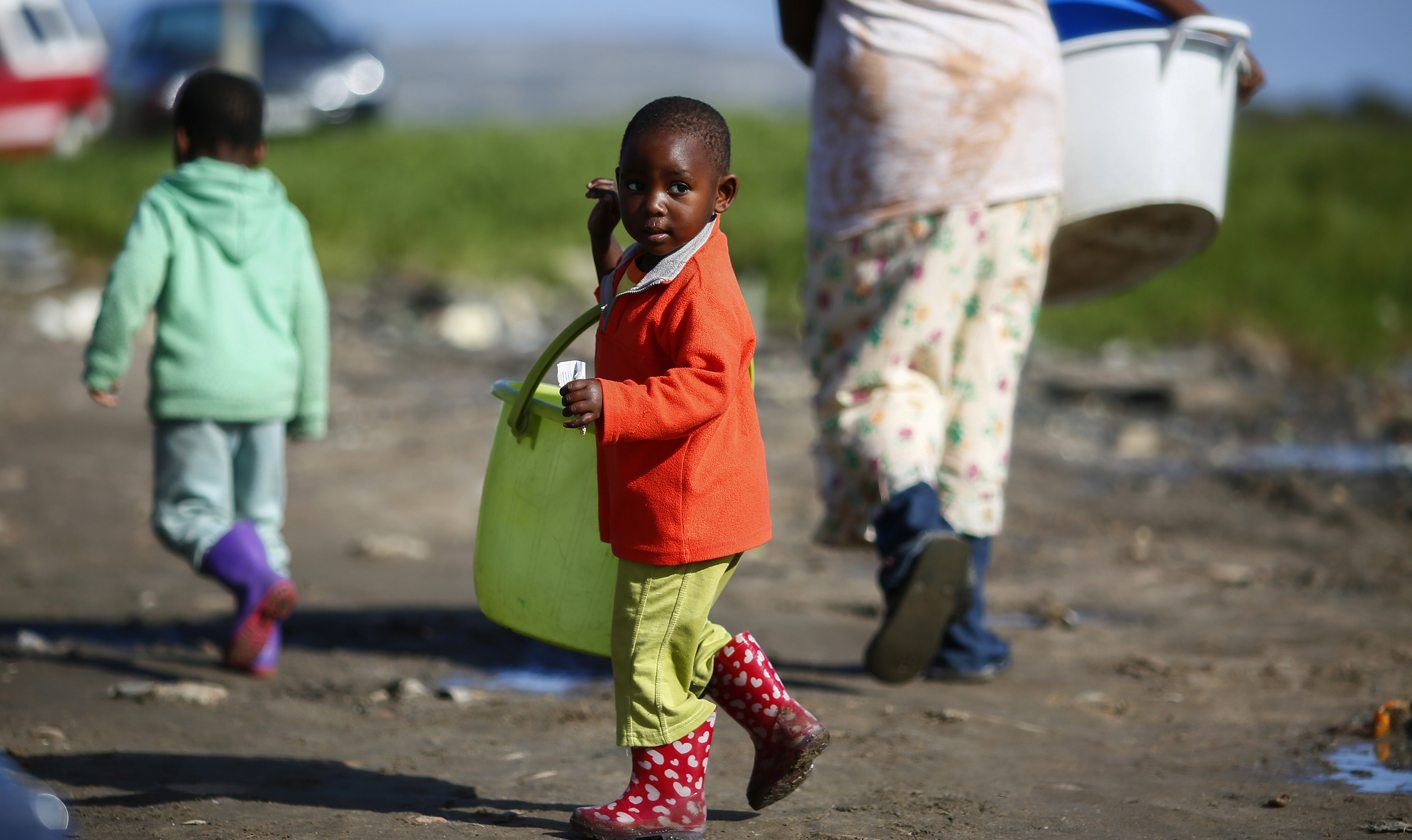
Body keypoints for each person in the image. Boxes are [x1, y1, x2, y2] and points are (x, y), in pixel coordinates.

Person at [776, 0, 1263, 686]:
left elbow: (797, 20)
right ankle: (961, 634)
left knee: (878, 368)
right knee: (983, 379)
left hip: (899, 127)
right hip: (1020, 127)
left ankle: (915, 533)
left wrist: (843, 57)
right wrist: (1206, 26)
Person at [558, 96, 828, 839]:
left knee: (645, 644)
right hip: (673, 499)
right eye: (636, 185)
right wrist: (602, 245)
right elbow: (626, 314)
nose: (652, 204)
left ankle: (667, 796)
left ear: (722, 194)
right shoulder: (654, 263)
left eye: (678, 187)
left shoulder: (704, 286)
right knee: (676, 632)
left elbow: (704, 385)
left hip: (688, 502)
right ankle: (776, 721)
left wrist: (613, 401)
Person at [83, 69, 329, 678]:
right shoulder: (286, 218)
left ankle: (258, 584)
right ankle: (262, 643)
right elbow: (310, 314)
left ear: (182, 140)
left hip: (195, 390)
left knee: (184, 515)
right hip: (268, 393)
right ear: (261, 149)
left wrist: (106, 362)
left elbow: (129, 286)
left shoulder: (166, 205)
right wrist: (310, 405)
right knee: (261, 521)